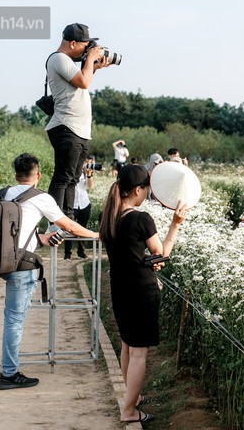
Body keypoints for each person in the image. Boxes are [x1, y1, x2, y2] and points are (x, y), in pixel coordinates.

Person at [0, 153, 98, 390]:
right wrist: (95, 235)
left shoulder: (4, 193)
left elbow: (14, 230)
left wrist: (41, 237)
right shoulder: (41, 197)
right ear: (38, 175)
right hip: (22, 266)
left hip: (4, 262)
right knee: (14, 321)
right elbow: (68, 225)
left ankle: (8, 368)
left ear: (15, 175)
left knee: (12, 318)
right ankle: (8, 375)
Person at [99, 164, 187, 423]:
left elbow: (133, 253)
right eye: (146, 190)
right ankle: (128, 410)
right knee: (139, 353)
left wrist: (149, 258)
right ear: (137, 190)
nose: (146, 194)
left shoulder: (109, 216)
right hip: (141, 291)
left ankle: (132, 398)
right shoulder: (140, 219)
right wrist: (175, 224)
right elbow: (162, 254)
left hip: (120, 289)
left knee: (127, 346)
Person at [45, 23, 109, 220]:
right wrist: (90, 59)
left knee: (73, 178)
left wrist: (94, 67)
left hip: (78, 129)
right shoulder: (59, 58)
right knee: (63, 177)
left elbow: (80, 82)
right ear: (73, 43)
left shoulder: (67, 61)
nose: (87, 50)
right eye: (85, 46)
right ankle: (56, 221)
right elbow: (83, 82)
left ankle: (68, 217)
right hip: (66, 126)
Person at [64, 156, 95, 260]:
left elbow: (90, 186)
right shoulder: (68, 173)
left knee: (83, 227)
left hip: (84, 204)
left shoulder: (84, 173)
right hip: (71, 205)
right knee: (68, 228)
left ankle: (81, 252)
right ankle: (67, 253)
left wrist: (89, 175)